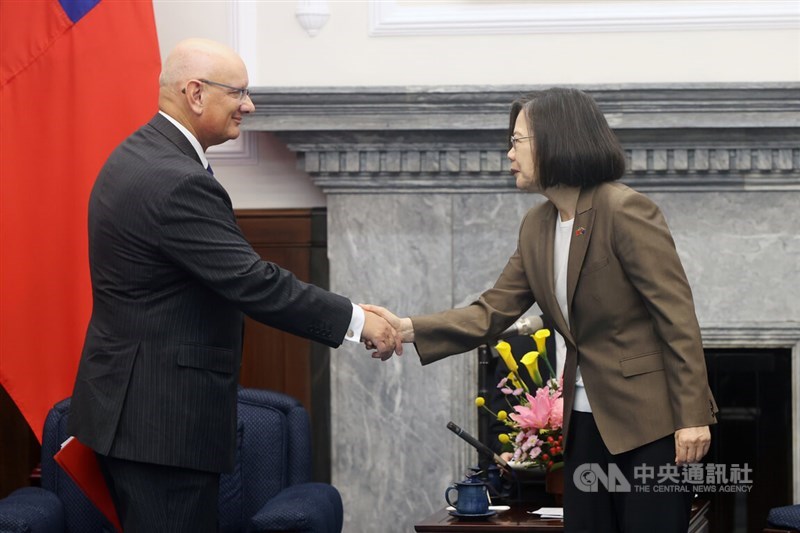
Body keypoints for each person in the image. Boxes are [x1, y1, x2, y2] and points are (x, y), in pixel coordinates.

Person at [68, 38, 400, 533]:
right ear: (195, 93)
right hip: (162, 426)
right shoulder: (174, 178)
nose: (249, 105)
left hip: (135, 414)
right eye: (238, 93)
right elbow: (253, 282)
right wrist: (357, 321)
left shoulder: (140, 154)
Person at [363, 88, 718, 532]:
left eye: (517, 141)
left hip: (650, 426)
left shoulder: (625, 209)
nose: (508, 153)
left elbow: (677, 318)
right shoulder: (537, 225)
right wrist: (407, 327)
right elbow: (493, 310)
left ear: (555, 140)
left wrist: (692, 417)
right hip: (583, 424)